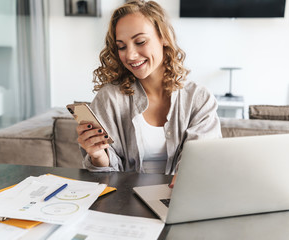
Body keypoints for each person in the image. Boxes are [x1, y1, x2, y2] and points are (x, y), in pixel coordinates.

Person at [76, 0, 222, 179]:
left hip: (179, 198)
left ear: (164, 38)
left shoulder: (198, 99)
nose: (130, 55)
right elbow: (106, 175)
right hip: (124, 201)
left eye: (140, 41)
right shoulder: (109, 98)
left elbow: (202, 162)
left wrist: (186, 179)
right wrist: (98, 156)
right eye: (121, 46)